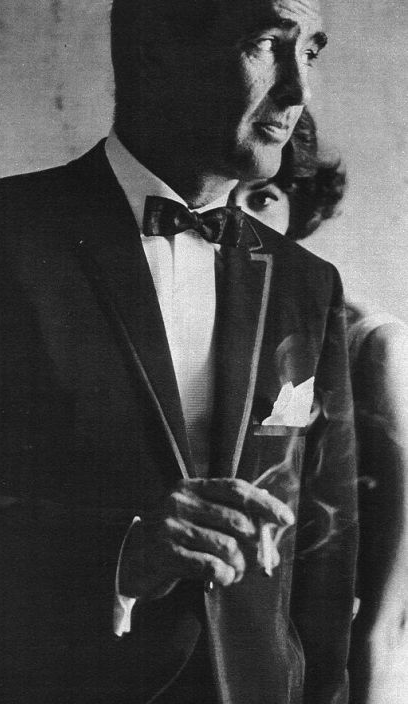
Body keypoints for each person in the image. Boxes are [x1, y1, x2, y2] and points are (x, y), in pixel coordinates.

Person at [0, 2, 358, 703]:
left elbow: (325, 563)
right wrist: (120, 552)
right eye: (268, 43)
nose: (298, 91)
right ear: (153, 50)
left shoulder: (309, 283)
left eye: (311, 52)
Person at [233, 107, 408, 704]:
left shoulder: (372, 346)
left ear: (298, 208)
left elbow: (391, 604)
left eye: (263, 198)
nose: (236, 221)